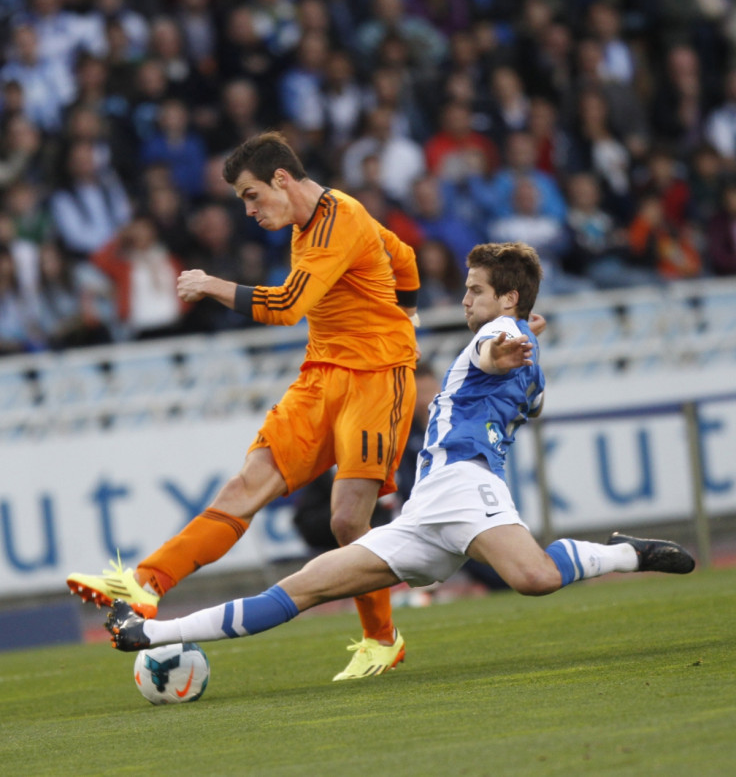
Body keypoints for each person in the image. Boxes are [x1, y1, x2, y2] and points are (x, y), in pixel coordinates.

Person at [105, 242, 695, 672]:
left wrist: (511, 339)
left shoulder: (498, 340)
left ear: (508, 298)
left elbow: (497, 351)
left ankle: (625, 553)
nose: (464, 299)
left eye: (475, 290)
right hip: (422, 510)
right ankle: (150, 633)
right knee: (304, 588)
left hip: (468, 485)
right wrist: (516, 342)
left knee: (534, 577)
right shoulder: (507, 345)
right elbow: (516, 378)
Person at [67, 130, 421, 681]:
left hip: (376, 379)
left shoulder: (337, 220)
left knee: (348, 522)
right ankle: (143, 583)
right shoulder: (312, 223)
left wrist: (211, 284)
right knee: (246, 485)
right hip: (321, 375)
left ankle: (382, 639)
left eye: (252, 195)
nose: (249, 210)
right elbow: (403, 257)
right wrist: (412, 307)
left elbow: (284, 307)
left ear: (282, 178)